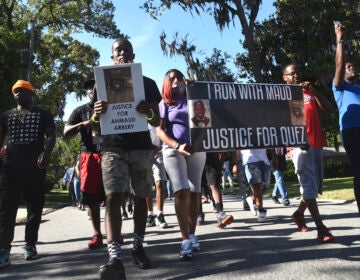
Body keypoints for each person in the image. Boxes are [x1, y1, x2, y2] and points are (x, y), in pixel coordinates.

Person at [93, 38, 161, 280]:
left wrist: (149, 111)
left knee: (142, 197)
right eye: (117, 50)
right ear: (112, 57)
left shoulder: (148, 84)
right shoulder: (101, 84)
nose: (121, 53)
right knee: (113, 197)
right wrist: (95, 115)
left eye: (125, 49)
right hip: (113, 148)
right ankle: (114, 258)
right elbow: (96, 130)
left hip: (141, 148)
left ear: (133, 54)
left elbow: (156, 121)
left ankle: (138, 247)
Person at [0, 80, 56, 268]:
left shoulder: (43, 114)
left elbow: (51, 136)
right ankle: (4, 250)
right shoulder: (6, 116)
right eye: (15, 92)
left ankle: (30, 245)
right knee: (6, 211)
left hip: (34, 170)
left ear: (31, 93)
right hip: (10, 170)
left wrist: (46, 153)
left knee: (34, 209)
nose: (18, 95)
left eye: (22, 91)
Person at [156, 69, 206, 260]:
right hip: (173, 150)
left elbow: (208, 118)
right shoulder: (164, 103)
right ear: (167, 83)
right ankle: (184, 239)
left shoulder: (195, 98)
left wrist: (197, 88)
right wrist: (177, 145)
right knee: (181, 190)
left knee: (195, 191)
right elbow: (160, 132)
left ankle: (192, 235)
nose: (177, 81)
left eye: (179, 77)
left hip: (196, 149)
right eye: (172, 78)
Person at [283, 63, 335, 243]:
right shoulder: (281, 97)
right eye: (292, 73)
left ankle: (298, 214)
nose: (296, 75)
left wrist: (314, 91)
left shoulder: (309, 93)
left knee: (314, 187)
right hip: (299, 147)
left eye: (298, 72)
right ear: (285, 78)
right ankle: (321, 228)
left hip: (316, 143)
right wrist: (288, 147)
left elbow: (328, 109)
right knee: (309, 187)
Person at [63, 78, 106, 250]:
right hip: (89, 155)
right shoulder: (80, 110)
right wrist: (84, 124)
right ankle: (97, 234)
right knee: (91, 199)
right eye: (90, 89)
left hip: (110, 153)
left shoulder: (112, 107)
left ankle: (114, 232)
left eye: (96, 88)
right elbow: (66, 132)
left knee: (113, 196)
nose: (93, 91)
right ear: (87, 92)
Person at [332, 22, 360, 215]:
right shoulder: (340, 86)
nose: (351, 67)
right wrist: (339, 39)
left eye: (353, 66)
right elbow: (339, 64)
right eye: (348, 66)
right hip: (351, 131)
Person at [146, 125, 168, 228]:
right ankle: (150, 215)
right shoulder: (141, 116)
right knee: (147, 185)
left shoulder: (159, 115)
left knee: (159, 183)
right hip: (145, 153)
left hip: (159, 152)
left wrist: (162, 146)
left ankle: (160, 214)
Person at [204, 152, 234, 228]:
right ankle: (199, 214)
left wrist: (220, 167)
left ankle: (220, 213)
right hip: (197, 162)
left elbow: (222, 153)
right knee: (198, 190)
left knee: (214, 186)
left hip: (213, 165)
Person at [242, 149, 271, 222]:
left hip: (264, 160)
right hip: (251, 160)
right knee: (257, 186)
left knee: (266, 186)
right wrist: (236, 163)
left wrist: (275, 157)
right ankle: (261, 211)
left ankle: (252, 199)